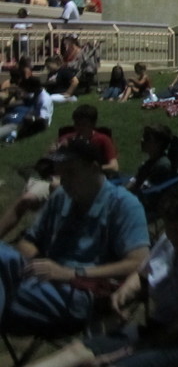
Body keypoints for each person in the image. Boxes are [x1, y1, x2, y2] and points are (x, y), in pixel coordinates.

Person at [28, 182, 178, 367]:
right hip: (162, 329)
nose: (172, 236)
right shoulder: (172, 241)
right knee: (77, 351)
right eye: (169, 227)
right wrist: (123, 295)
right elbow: (144, 273)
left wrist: (130, 351)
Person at [0, 138, 149, 335]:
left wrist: (71, 273)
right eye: (61, 174)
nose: (64, 181)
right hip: (39, 283)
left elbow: (138, 263)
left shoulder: (124, 205)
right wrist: (33, 265)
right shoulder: (61, 196)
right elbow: (30, 241)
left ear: (94, 168)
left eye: (71, 173)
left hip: (80, 293)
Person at [127, 124, 178, 194]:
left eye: (147, 138)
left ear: (159, 143)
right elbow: (134, 181)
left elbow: (146, 192)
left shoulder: (162, 166)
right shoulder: (149, 163)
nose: (142, 140)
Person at [0, 76, 53, 144]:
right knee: (10, 118)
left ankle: (11, 135)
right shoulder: (36, 93)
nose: (25, 90)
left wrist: (31, 118)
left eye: (26, 88)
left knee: (12, 123)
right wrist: (6, 104)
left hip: (39, 124)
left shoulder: (44, 99)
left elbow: (43, 118)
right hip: (27, 118)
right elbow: (24, 100)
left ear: (32, 87)